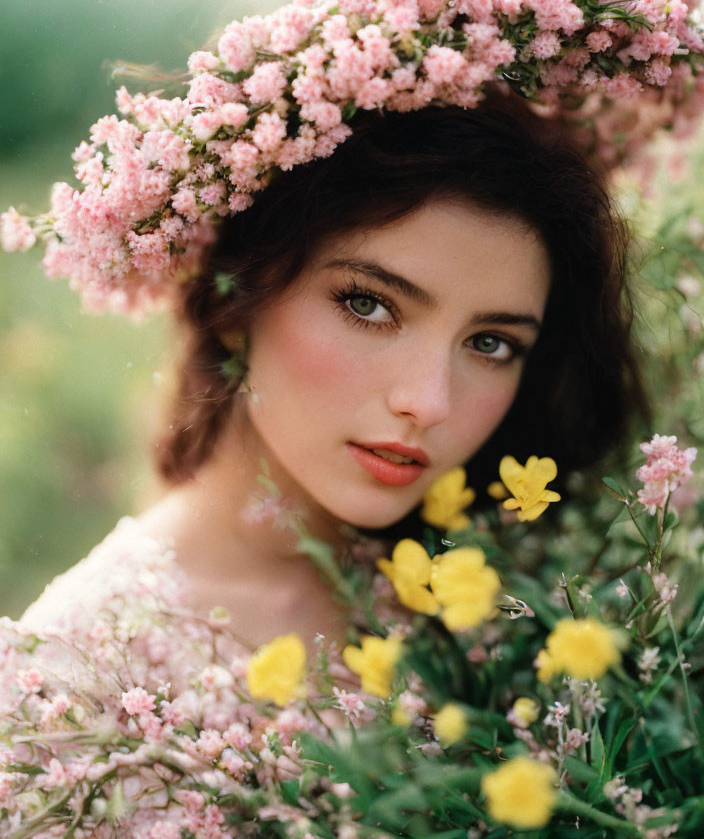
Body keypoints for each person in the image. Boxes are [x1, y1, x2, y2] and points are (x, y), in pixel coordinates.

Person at [16, 88, 646, 652]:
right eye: (368, 305)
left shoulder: (514, 615)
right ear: (236, 295)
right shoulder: (68, 678)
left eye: (490, 344)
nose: (428, 403)